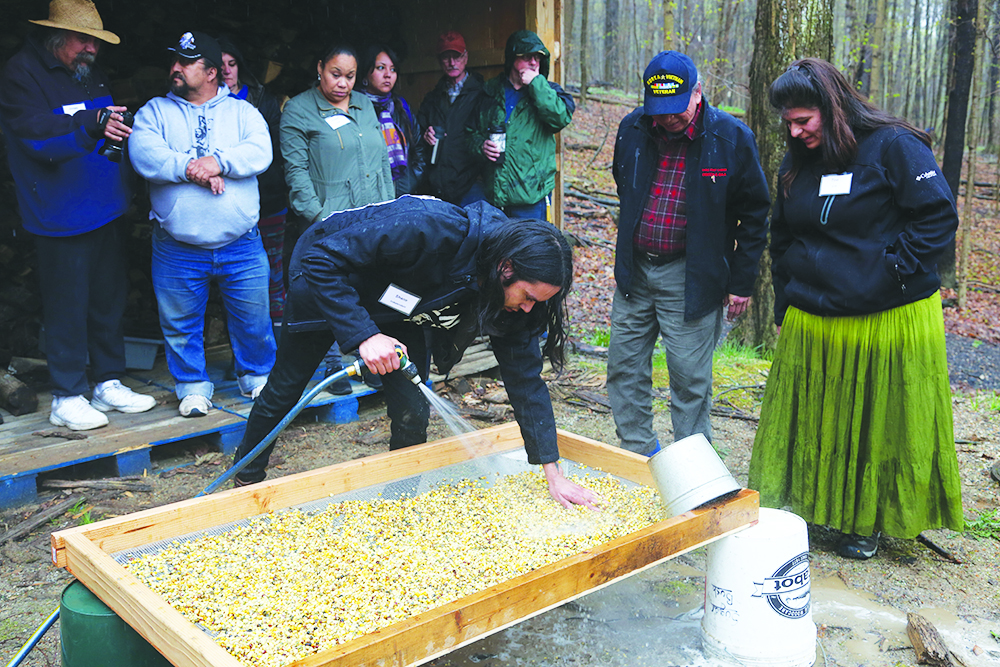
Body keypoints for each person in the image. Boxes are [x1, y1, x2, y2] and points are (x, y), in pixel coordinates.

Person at [232, 196, 599, 510]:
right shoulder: (431, 229)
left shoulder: (513, 300)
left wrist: (554, 473)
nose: (529, 309)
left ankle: (399, 502)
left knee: (413, 406)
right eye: (529, 297)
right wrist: (365, 335)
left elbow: (526, 382)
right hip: (325, 275)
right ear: (506, 268)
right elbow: (320, 259)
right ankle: (243, 488)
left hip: (396, 302)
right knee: (285, 388)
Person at [748, 58, 964, 559]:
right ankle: (810, 505)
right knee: (817, 417)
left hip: (885, 315)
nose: (795, 131)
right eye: (789, 123)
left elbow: (937, 216)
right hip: (814, 313)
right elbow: (781, 236)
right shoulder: (796, 162)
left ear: (832, 105)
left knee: (875, 422)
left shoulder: (894, 146)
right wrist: (786, 300)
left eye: (804, 120)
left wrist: (890, 271)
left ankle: (866, 522)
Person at [0, 0, 156, 431]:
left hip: (105, 205)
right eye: (83, 40)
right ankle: (67, 396)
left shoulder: (85, 71)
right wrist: (91, 125)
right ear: (56, 37)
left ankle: (108, 381)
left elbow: (106, 128)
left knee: (109, 301)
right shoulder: (22, 74)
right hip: (59, 214)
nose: (91, 49)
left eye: (96, 42)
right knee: (67, 307)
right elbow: (36, 138)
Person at [606, 51, 770, 455]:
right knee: (624, 368)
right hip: (636, 273)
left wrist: (741, 282)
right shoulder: (633, 129)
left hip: (691, 275)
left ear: (697, 93)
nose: (668, 118)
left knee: (689, 380)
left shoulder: (730, 138)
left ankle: (693, 466)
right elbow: (622, 184)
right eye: (658, 110)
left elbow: (755, 215)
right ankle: (639, 454)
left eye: (676, 109)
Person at [130, 31, 276, 418]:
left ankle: (258, 377)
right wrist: (192, 169)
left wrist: (219, 162)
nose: (175, 68)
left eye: (186, 62)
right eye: (174, 61)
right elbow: (144, 154)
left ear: (212, 72)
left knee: (254, 317)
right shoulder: (154, 112)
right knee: (179, 323)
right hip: (178, 244)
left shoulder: (244, 112)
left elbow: (261, 151)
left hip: (240, 241)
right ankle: (192, 385)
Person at [280, 43, 394, 392]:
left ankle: (370, 361)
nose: (342, 83)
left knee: (370, 287)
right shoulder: (299, 110)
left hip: (371, 217)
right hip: (327, 221)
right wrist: (318, 217)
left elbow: (382, 162)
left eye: (350, 76)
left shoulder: (363, 105)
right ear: (319, 68)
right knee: (327, 289)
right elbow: (296, 172)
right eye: (335, 74)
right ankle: (331, 366)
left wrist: (392, 212)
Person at [218, 35, 289, 325]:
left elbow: (273, 153)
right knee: (239, 278)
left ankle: (278, 343)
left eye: (232, 63)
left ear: (240, 67)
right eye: (219, 64)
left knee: (273, 271)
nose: (226, 70)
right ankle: (249, 346)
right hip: (228, 206)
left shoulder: (263, 101)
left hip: (269, 201)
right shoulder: (207, 107)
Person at [473, 30, 574, 220]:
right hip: (494, 198)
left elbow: (559, 118)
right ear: (512, 58)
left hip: (531, 200)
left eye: (537, 57)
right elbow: (469, 134)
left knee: (531, 250)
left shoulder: (549, 92)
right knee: (498, 250)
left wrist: (536, 84)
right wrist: (481, 146)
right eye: (527, 57)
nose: (534, 62)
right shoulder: (489, 91)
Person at [414, 30, 487, 205]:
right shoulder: (432, 98)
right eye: (446, 57)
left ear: (466, 57)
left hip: (472, 184)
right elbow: (417, 136)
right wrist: (426, 136)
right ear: (439, 61)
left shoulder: (482, 94)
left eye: (456, 56)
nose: (452, 62)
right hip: (438, 185)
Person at [358, 44, 422, 198]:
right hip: (367, 196)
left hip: (401, 193)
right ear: (366, 74)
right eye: (381, 68)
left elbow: (418, 148)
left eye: (393, 69)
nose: (388, 74)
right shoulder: (356, 109)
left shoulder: (401, 107)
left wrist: (411, 181)